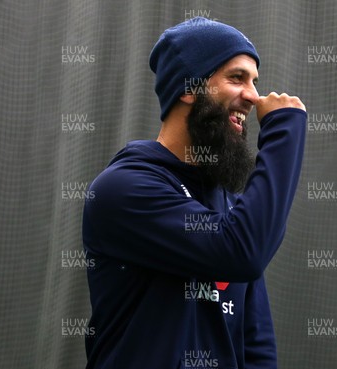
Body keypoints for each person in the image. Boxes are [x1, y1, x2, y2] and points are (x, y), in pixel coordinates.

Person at [82, 17, 306, 369]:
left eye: (255, 81)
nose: (253, 96)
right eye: (236, 78)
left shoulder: (230, 205)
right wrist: (284, 133)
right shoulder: (124, 189)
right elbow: (241, 252)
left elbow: (255, 339)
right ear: (189, 87)